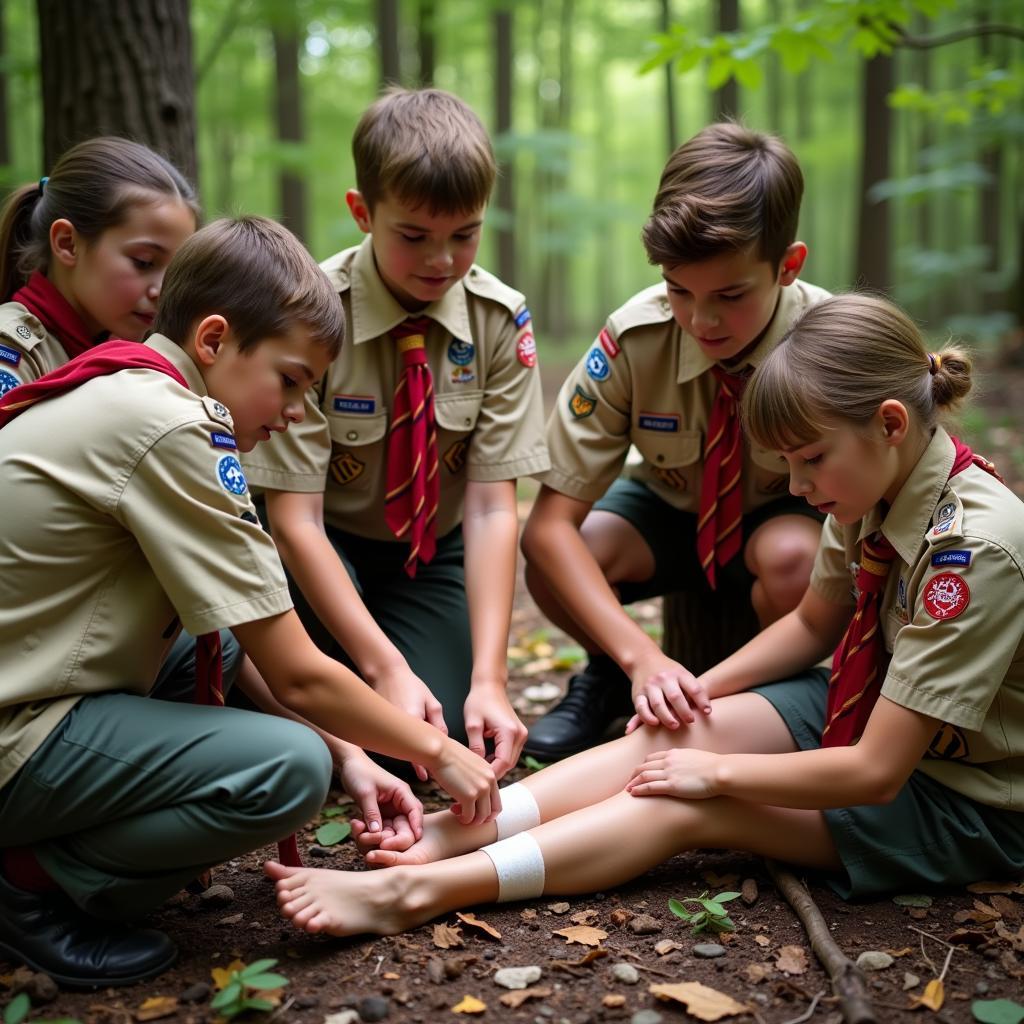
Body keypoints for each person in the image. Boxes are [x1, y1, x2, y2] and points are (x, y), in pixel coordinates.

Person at [264, 293, 1024, 938]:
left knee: (689, 801)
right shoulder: (871, 482)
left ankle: (415, 893)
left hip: (962, 796)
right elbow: (812, 628)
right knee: (673, 731)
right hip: (874, 719)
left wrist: (718, 771)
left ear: (891, 423)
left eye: (808, 459)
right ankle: (446, 836)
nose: (796, 483)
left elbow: (877, 770)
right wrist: (696, 691)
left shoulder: (975, 550)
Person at [0, 217, 499, 988]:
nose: (298, 409)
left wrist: (353, 754)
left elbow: (235, 640)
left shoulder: (124, 382)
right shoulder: (170, 428)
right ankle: (27, 886)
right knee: (284, 770)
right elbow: (298, 673)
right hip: (17, 729)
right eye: (292, 379)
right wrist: (440, 753)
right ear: (213, 341)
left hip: (33, 684)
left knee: (240, 670)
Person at [242, 88, 549, 780]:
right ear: (362, 212)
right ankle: (284, 694)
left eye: (465, 234)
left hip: (428, 555)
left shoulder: (500, 323)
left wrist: (491, 680)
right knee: (364, 704)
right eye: (414, 235)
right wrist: (384, 667)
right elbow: (295, 521)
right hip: (323, 549)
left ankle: (344, 698)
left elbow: (493, 506)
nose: (442, 259)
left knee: (423, 731)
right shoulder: (311, 313)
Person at [520, 122, 830, 760]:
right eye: (679, 290)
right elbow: (548, 527)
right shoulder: (636, 339)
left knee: (797, 560)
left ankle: (774, 700)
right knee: (567, 556)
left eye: (730, 294)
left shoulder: (830, 343)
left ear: (788, 266)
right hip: (671, 511)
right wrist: (641, 658)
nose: (701, 319)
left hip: (782, 517)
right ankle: (612, 675)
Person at [0, 135, 199, 393]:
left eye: (175, 272)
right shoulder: (14, 352)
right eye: (144, 262)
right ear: (67, 243)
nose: (162, 291)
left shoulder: (122, 358)